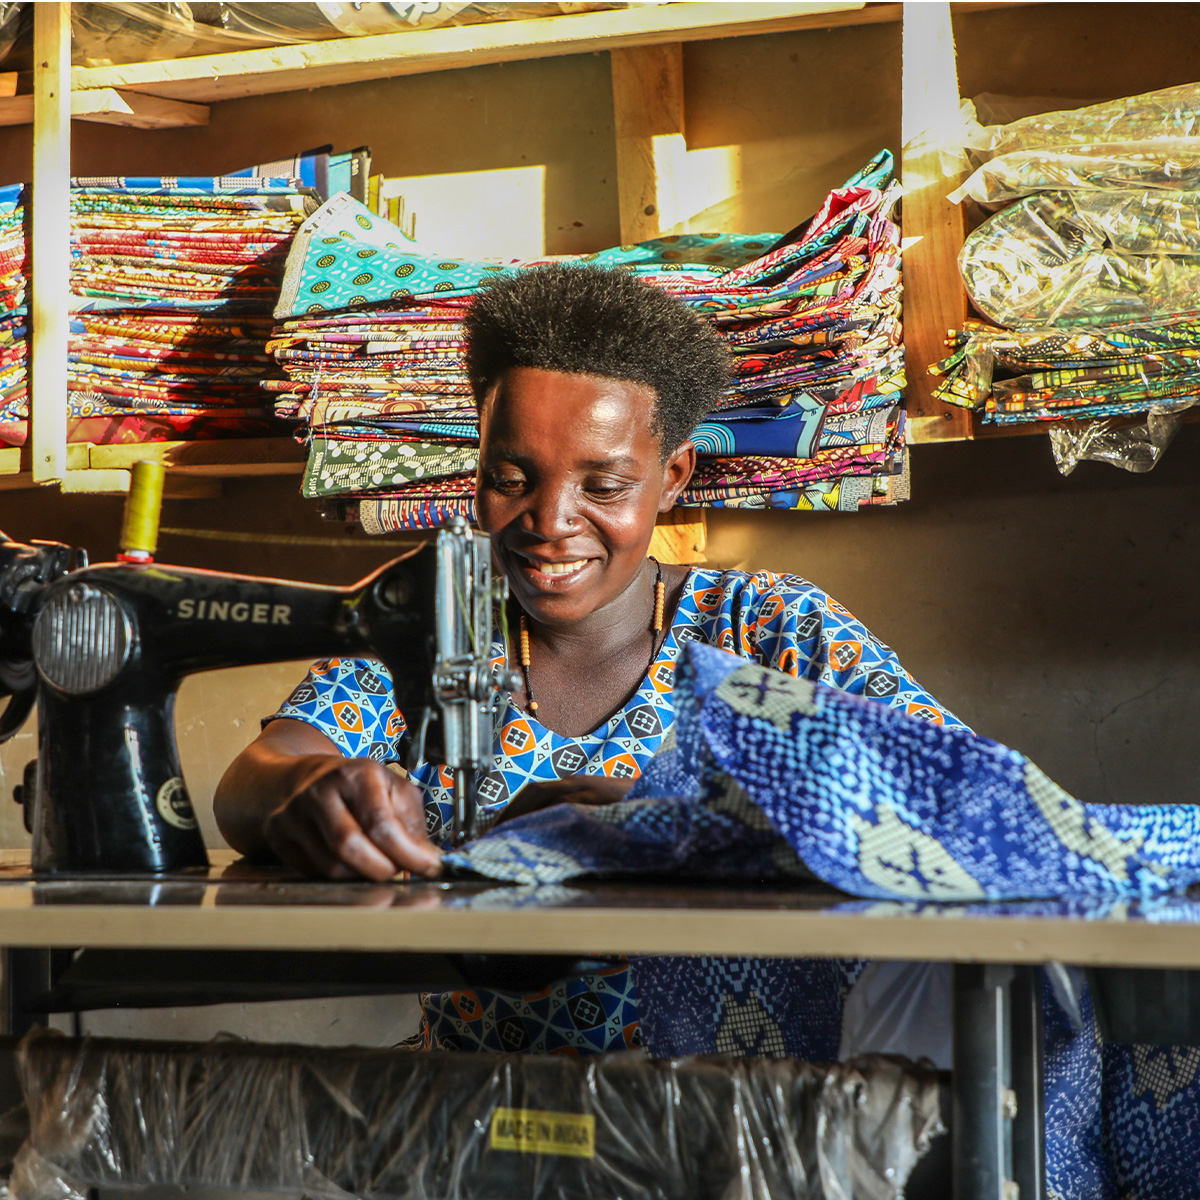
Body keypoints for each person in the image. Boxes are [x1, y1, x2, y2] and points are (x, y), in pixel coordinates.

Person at [215, 263, 964, 1054]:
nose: (550, 521)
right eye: (509, 479)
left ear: (672, 476)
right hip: (476, 1113)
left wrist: (666, 826)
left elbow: (962, 807)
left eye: (604, 485)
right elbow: (253, 778)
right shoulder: (435, 629)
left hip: (736, 1122)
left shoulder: (771, 629)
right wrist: (306, 790)